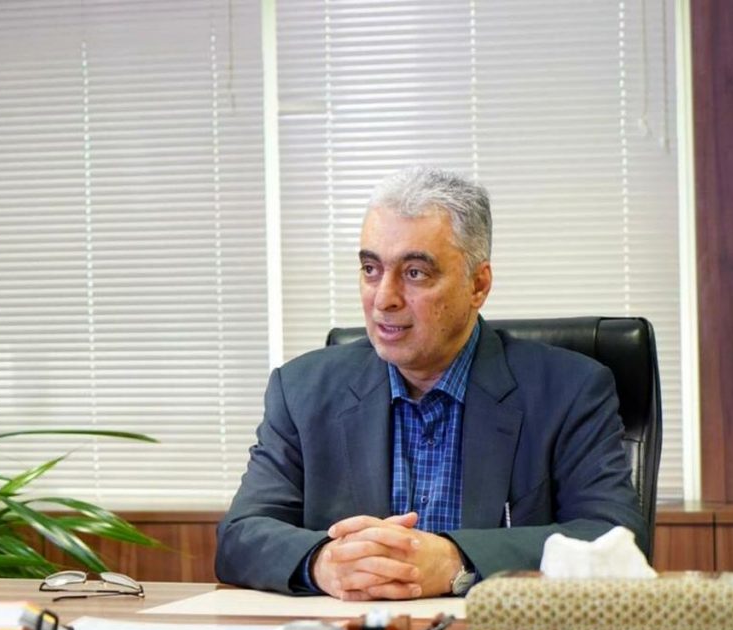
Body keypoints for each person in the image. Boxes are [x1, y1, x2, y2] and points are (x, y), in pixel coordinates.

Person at [215, 166, 646, 600]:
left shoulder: (569, 391)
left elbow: (616, 538)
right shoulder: (302, 390)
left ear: (478, 285)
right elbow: (240, 536)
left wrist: (457, 560)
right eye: (370, 269)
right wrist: (324, 563)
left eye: (415, 273)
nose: (384, 298)